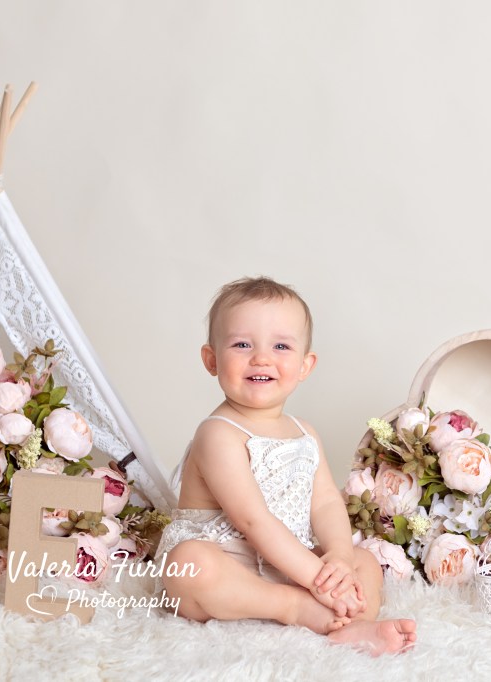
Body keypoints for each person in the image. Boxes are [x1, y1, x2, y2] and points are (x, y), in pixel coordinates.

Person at [156, 276, 416, 656]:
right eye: (242, 344)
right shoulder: (217, 434)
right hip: (229, 559)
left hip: (287, 557)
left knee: (366, 561)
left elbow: (326, 502)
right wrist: (316, 580)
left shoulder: (304, 432)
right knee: (190, 566)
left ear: (305, 365)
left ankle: (354, 626)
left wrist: (339, 558)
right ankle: (292, 606)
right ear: (211, 359)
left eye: (280, 346)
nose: (261, 358)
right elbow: (252, 521)